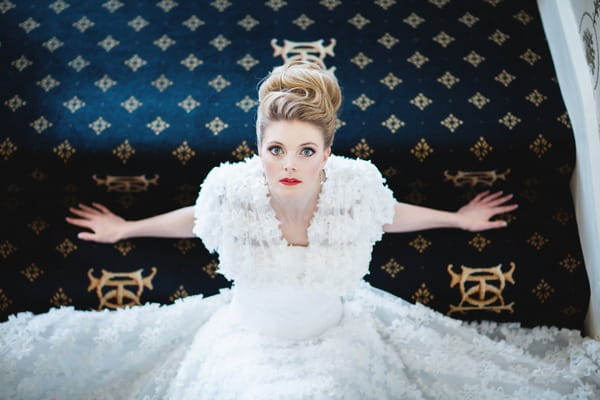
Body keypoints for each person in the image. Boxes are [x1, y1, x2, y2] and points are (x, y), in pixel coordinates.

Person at [1, 60, 598, 399]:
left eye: (306, 151)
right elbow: (194, 221)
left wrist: (457, 217)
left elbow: (389, 215)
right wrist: (126, 226)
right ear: (257, 144)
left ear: (328, 150)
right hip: (247, 338)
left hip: (335, 339)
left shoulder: (355, 185)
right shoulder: (231, 188)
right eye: (275, 148)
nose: (288, 165)